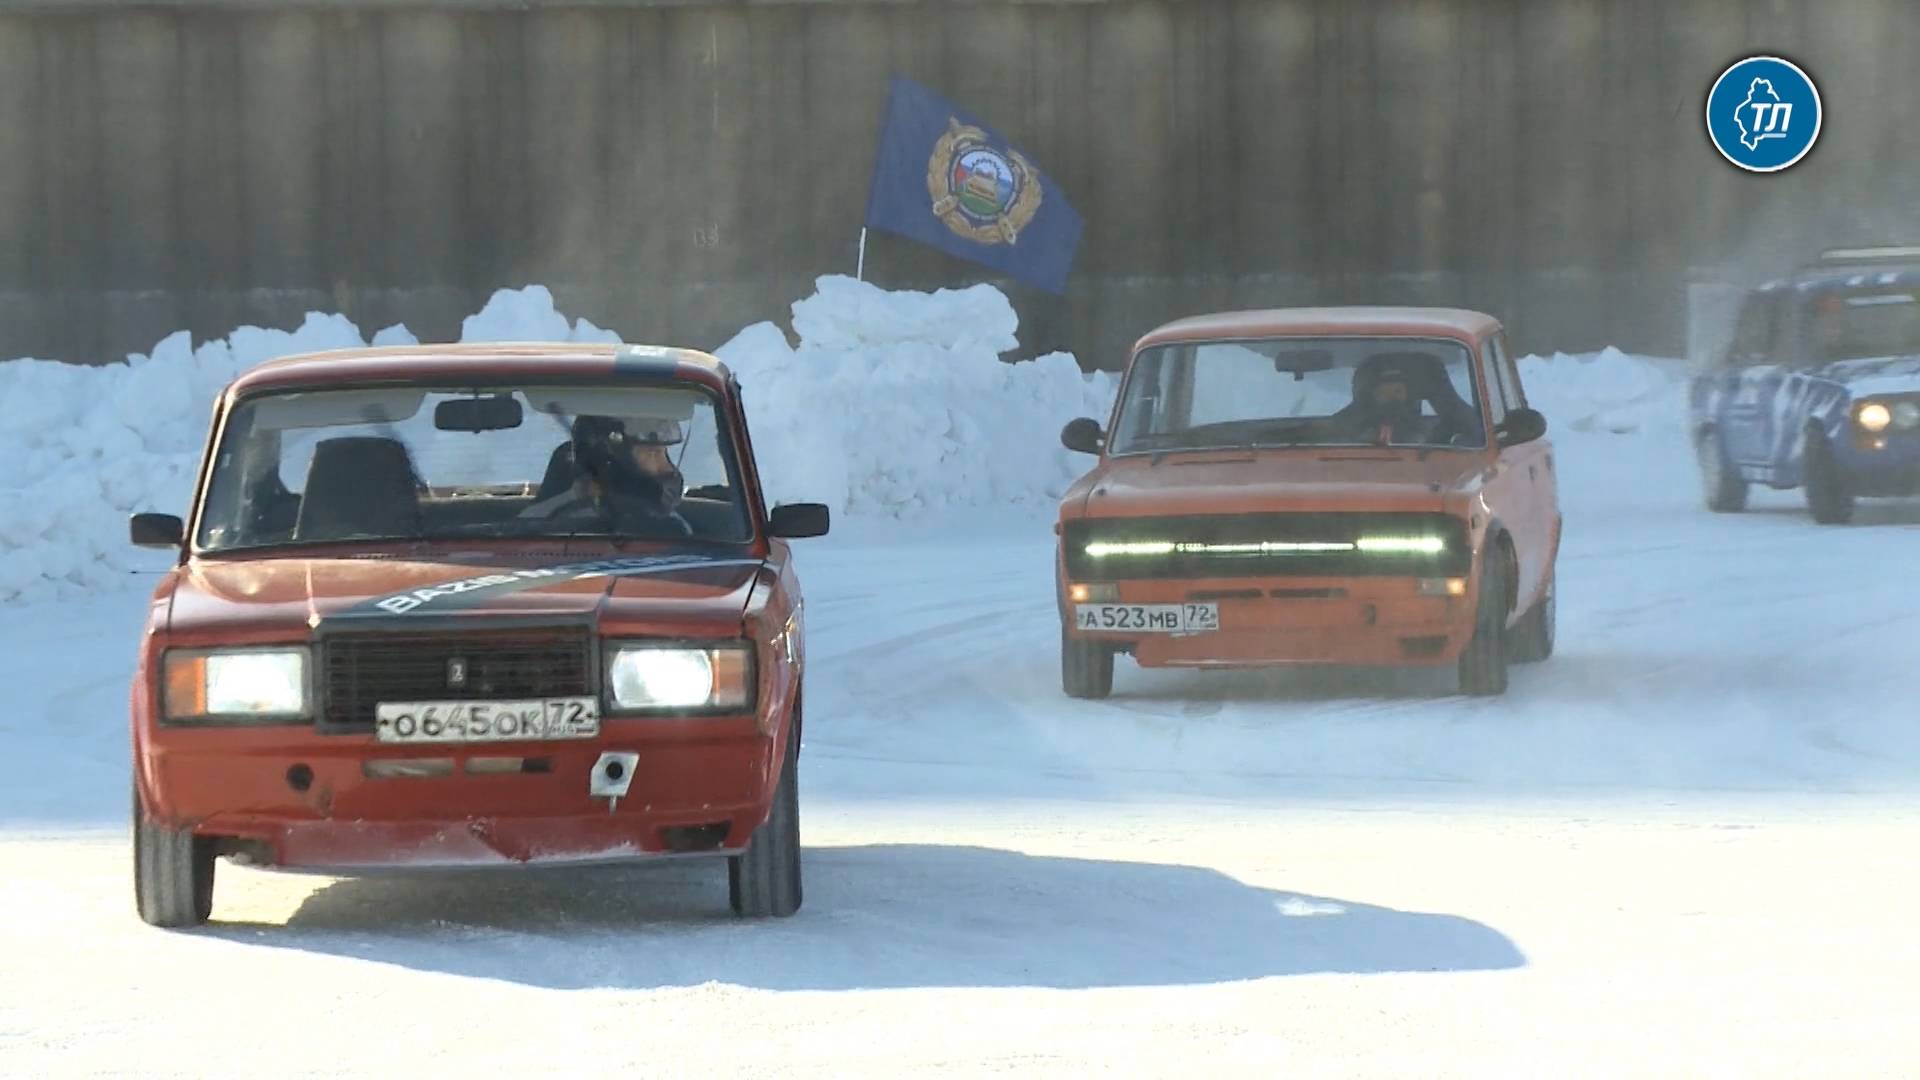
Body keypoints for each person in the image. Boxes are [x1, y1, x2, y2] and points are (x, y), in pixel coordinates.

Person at [520, 414, 690, 535]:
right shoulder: (537, 529)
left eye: (664, 454)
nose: (668, 468)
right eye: (652, 454)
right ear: (611, 460)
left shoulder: (673, 529)